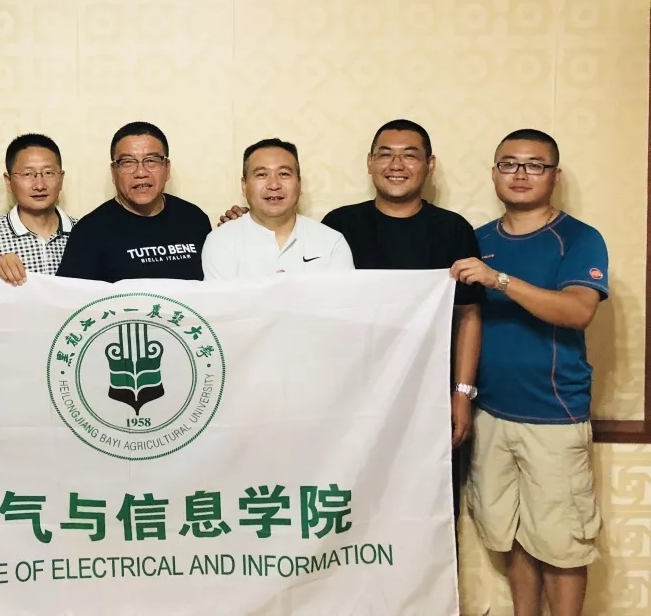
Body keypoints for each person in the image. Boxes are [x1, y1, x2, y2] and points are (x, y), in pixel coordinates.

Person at [218, 119, 483, 532]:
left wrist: (462, 392)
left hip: (424, 394)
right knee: (350, 510)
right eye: (386, 154)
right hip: (348, 400)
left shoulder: (451, 229)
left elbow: (467, 313)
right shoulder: (341, 225)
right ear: (369, 162)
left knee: (424, 512)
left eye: (409, 155)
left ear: (429, 165)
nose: (397, 165)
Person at [451, 129, 607, 616]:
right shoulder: (478, 240)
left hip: (553, 415)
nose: (520, 174)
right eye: (509, 164)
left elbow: (578, 311)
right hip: (489, 412)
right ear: (494, 172)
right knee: (510, 532)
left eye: (534, 165)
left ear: (554, 176)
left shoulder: (578, 238)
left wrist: (499, 279)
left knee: (562, 544)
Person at [56, 121, 211, 281]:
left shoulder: (194, 219)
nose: (141, 173)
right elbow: (70, 294)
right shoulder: (88, 232)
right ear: (113, 172)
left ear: (167, 168)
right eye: (128, 162)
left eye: (151, 160)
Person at [202, 138, 352, 278]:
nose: (274, 185)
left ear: (299, 184)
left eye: (284, 174)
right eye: (262, 174)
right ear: (244, 186)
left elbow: (342, 298)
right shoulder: (221, 241)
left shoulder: (331, 242)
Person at [0, 133, 75, 285]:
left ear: (61, 179)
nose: (39, 185)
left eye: (48, 173)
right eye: (27, 174)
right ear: (8, 182)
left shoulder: (83, 232)